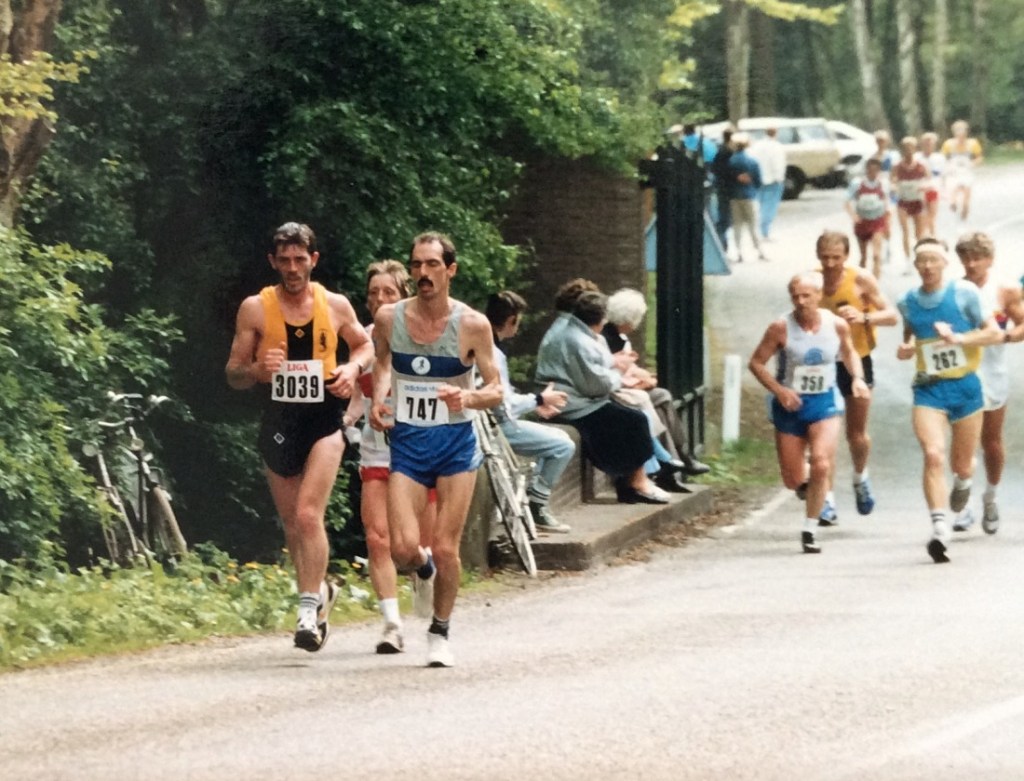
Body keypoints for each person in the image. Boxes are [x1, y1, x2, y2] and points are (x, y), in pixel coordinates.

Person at [225, 222, 374, 652]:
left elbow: (363, 346)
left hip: (324, 420)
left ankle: (307, 611)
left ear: (314, 260)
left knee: (309, 515)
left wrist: (351, 369)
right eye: (285, 260)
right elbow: (233, 373)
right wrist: (257, 370)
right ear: (273, 262)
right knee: (293, 525)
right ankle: (321, 590)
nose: (293, 268)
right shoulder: (256, 308)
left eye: (300, 259)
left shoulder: (335, 305)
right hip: (279, 422)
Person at [369, 232, 502, 668]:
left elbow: (496, 388)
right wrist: (379, 400)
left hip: (455, 446)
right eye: (417, 265)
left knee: (447, 548)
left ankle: (439, 630)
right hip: (408, 445)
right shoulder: (389, 319)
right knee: (403, 550)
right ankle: (421, 569)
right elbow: (382, 363)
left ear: (451, 270)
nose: (423, 273)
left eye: (432, 265)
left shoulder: (473, 325)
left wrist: (469, 397)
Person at [342, 260, 436, 654]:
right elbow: (358, 394)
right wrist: (346, 420)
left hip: (421, 451)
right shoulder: (364, 340)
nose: (379, 299)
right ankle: (392, 626)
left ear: (404, 296)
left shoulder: (425, 336)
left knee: (410, 547)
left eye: (389, 292)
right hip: (377, 451)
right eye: (373, 293)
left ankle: (425, 567)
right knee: (377, 538)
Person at [895, 238, 1001, 563]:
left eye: (933, 260)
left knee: (962, 466)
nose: (927, 266)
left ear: (944, 263)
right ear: (915, 265)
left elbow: (993, 333)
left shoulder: (965, 293)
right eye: (922, 261)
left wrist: (959, 338)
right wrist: (907, 347)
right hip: (928, 389)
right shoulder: (907, 301)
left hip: (966, 389)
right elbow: (910, 334)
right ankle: (940, 528)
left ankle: (964, 481)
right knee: (933, 454)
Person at [748, 272, 869, 553]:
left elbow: (849, 352)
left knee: (821, 463)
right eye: (796, 297)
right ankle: (808, 486)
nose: (801, 302)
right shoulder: (780, 327)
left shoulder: (836, 325)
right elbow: (756, 363)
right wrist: (780, 391)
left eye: (806, 296)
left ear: (819, 295)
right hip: (789, 406)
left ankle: (810, 529)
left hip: (824, 401)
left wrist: (857, 378)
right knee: (792, 480)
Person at [535, 282, 668, 506]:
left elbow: (596, 368)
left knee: (631, 417)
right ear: (601, 318)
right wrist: (620, 377)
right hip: (572, 404)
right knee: (634, 420)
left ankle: (634, 481)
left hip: (572, 398)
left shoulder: (573, 332)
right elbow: (595, 385)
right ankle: (637, 482)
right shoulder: (577, 339)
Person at [815, 230, 898, 524]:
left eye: (836, 258)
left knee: (856, 434)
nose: (830, 263)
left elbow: (892, 315)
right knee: (824, 435)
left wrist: (864, 317)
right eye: (825, 257)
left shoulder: (860, 279)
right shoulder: (811, 282)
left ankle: (860, 477)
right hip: (822, 364)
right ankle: (826, 500)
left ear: (847, 256)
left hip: (857, 361)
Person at [949, 232, 1024, 534]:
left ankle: (990, 497)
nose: (971, 264)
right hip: (961, 373)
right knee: (962, 441)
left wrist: (1004, 336)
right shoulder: (953, 290)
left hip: (993, 373)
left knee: (991, 442)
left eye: (977, 258)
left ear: (989, 260)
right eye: (966, 258)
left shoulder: (1005, 289)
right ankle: (964, 504)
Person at [485, 290, 575, 534]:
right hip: (497, 428)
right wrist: (539, 399)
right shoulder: (493, 353)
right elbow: (504, 402)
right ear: (511, 320)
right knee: (563, 446)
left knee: (561, 439)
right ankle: (537, 506)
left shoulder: (488, 347)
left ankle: (534, 497)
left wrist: (536, 403)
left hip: (495, 423)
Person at [602, 287, 711, 488]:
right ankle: (681, 457)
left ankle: (671, 467)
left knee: (660, 408)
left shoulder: (620, 337)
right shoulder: (607, 339)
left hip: (627, 387)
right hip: (616, 391)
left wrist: (644, 376)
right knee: (663, 396)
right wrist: (639, 380)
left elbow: (630, 367)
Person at [845, 157, 891, 279]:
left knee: (876, 255)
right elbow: (847, 202)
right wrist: (853, 216)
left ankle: (875, 281)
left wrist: (887, 223)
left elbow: (887, 203)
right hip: (862, 222)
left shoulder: (883, 184)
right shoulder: (857, 183)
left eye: (876, 170)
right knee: (863, 256)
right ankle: (863, 281)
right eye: (870, 170)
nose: (873, 173)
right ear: (866, 170)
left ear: (879, 171)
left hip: (877, 221)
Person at [890, 136, 931, 271]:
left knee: (919, 233)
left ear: (915, 149)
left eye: (911, 148)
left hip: (917, 201)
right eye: (905, 148)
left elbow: (929, 180)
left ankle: (919, 257)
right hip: (903, 201)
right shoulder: (897, 166)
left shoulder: (920, 165)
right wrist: (894, 187)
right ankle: (907, 261)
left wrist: (924, 186)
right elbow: (892, 181)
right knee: (905, 231)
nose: (908, 151)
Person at [727, 132, 767, 263]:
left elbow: (727, 179)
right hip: (749, 195)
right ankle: (760, 251)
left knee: (737, 225)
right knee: (753, 225)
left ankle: (739, 253)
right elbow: (758, 180)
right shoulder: (752, 161)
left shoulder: (731, 162)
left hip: (734, 196)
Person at [941, 120, 983, 221]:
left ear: (966, 132)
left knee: (966, 190)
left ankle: (965, 208)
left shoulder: (972, 143)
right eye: (957, 130)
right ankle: (953, 202)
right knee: (953, 187)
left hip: (966, 170)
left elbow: (979, 157)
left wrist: (973, 163)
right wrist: (946, 166)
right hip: (953, 170)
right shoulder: (948, 144)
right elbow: (943, 158)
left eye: (962, 130)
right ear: (954, 132)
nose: (960, 133)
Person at [750, 127, 787, 241]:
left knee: (759, 205)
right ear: (776, 133)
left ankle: (758, 230)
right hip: (773, 180)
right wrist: (779, 178)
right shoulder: (777, 147)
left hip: (758, 179)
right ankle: (764, 232)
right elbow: (778, 164)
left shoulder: (757, 145)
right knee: (769, 206)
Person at [709, 127, 735, 253]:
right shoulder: (728, 152)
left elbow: (714, 168)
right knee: (725, 219)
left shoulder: (720, 150)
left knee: (724, 216)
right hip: (727, 188)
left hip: (721, 187)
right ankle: (722, 243)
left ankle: (723, 242)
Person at [918, 131, 946, 237]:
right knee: (922, 214)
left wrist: (944, 189)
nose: (928, 146)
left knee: (932, 215)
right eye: (926, 143)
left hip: (934, 187)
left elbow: (943, 175)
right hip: (921, 188)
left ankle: (932, 235)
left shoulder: (939, 158)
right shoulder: (917, 157)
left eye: (930, 143)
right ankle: (923, 235)